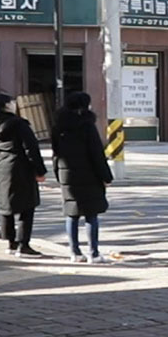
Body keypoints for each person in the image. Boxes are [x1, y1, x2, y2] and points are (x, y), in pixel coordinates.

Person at [51, 92, 112, 263]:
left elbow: (55, 153)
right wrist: (106, 177)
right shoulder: (87, 126)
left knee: (72, 214)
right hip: (89, 174)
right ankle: (94, 253)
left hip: (67, 174)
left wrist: (58, 174)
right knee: (91, 214)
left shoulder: (59, 127)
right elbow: (97, 154)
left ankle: (75, 253)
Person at [0, 94, 49, 258]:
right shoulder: (19, 124)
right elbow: (31, 148)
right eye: (12, 102)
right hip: (20, 168)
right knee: (27, 207)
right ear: (7, 105)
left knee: (6, 206)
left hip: (0, 167)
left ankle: (11, 243)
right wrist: (40, 171)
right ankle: (24, 245)